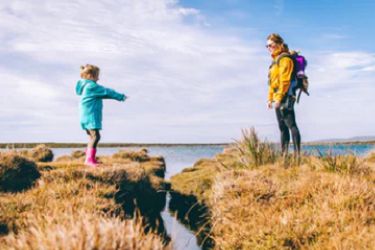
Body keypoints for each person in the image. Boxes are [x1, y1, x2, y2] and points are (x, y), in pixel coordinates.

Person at [76, 64, 128, 166]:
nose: (98, 78)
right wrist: (121, 97)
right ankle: (89, 160)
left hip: (85, 116)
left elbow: (104, 95)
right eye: (97, 76)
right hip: (90, 115)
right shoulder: (92, 86)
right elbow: (106, 92)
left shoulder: (86, 86)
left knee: (91, 137)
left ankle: (90, 158)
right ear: (90, 77)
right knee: (96, 136)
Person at [266, 33, 301, 156]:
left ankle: (297, 155)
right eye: (267, 46)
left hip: (286, 95)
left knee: (291, 124)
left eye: (270, 45)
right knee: (282, 127)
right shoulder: (274, 61)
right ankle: (284, 156)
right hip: (277, 97)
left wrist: (279, 99)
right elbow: (272, 83)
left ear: (279, 44)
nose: (269, 48)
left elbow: (285, 81)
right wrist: (270, 99)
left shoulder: (285, 59)